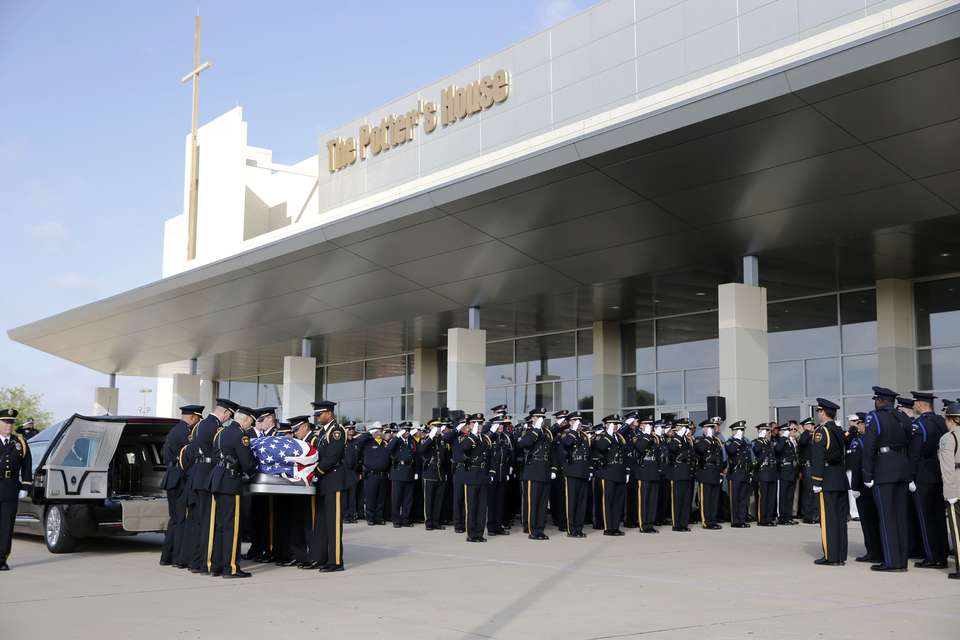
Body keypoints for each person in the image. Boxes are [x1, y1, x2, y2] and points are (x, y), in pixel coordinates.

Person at [862, 386, 912, 572]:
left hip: (884, 470)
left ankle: (892, 561)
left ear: (881, 400)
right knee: (900, 517)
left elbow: (869, 448)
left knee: (886, 517)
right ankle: (902, 561)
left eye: (876, 399)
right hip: (902, 468)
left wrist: (867, 474)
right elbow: (911, 441)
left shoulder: (874, 417)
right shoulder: (903, 417)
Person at [187, 398, 238, 574]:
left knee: (200, 522)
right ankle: (208, 563)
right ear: (225, 412)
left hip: (197, 475)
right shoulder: (215, 427)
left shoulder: (200, 424)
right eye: (229, 416)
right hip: (207, 476)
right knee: (210, 524)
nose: (228, 420)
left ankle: (196, 561)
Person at [207, 406, 258, 578]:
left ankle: (217, 565)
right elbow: (247, 462)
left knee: (221, 526)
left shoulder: (220, 433)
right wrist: (252, 471)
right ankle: (231, 567)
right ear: (244, 420)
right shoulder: (240, 435)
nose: (250, 427)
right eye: (250, 422)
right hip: (231, 482)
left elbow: (215, 457)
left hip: (218, 480)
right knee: (232, 527)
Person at [908, 391, 949, 568]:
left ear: (922, 404)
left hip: (923, 473)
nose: (913, 406)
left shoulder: (920, 424)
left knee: (926, 517)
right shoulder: (941, 421)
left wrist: (910, 476)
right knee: (939, 516)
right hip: (939, 472)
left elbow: (915, 453)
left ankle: (932, 557)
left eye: (915, 403)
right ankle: (943, 553)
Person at [159, 404, 203, 568]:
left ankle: (167, 556)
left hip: (173, 477)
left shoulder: (174, 430)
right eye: (198, 419)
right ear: (193, 417)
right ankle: (178, 557)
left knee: (175, 519)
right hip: (180, 478)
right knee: (180, 519)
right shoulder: (186, 433)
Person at [309, 400, 350, 572]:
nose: (317, 418)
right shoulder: (322, 432)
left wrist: (315, 473)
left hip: (333, 480)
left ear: (329, 413)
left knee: (333, 523)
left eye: (319, 414)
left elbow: (332, 457)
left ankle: (335, 561)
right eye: (316, 415)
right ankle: (321, 558)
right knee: (321, 523)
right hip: (323, 482)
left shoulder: (337, 431)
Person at [810, 398, 848, 566]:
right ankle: (840, 555)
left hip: (827, 478)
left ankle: (831, 556)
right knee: (840, 519)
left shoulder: (821, 431)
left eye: (819, 411)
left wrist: (816, 480)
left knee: (828, 519)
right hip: (840, 477)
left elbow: (818, 457)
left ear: (823, 412)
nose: (818, 414)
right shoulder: (838, 430)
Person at [242, 407, 278, 562]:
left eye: (262, 420)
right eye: (258, 420)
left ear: (270, 419)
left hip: (266, 484)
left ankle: (263, 549)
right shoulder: (247, 434)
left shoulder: (274, 436)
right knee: (253, 518)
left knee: (264, 518)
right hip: (251, 484)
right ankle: (256, 548)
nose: (260, 423)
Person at [846, 413, 882, 563]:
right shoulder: (876, 440)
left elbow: (856, 466)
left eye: (859, 423)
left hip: (863, 485)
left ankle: (873, 553)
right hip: (876, 483)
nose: (858, 426)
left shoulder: (859, 442)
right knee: (877, 520)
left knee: (868, 522)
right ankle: (879, 550)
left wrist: (854, 487)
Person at [0, 409, 31, 571]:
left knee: (6, 525)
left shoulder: (20, 442)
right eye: (5, 422)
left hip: (11, 487)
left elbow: (27, 465)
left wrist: (25, 485)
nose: (8, 426)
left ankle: (1, 559)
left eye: (11, 422)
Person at [517, 408, 555, 540]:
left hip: (545, 470)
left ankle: (540, 529)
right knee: (533, 503)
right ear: (532, 418)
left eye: (542, 417)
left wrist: (553, 468)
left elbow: (551, 452)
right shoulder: (528, 431)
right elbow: (524, 443)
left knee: (543, 504)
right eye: (538, 417)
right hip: (533, 471)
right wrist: (536, 429)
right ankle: (532, 530)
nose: (540, 419)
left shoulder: (547, 433)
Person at [592, 414, 627, 536]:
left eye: (616, 424)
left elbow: (624, 454)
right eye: (612, 424)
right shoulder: (601, 436)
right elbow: (601, 447)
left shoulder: (620, 438)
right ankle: (608, 528)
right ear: (606, 425)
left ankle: (615, 526)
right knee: (608, 501)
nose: (615, 426)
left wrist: (626, 471)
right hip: (607, 472)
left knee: (617, 502)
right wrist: (608, 434)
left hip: (619, 472)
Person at [559, 411, 591, 537]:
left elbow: (588, 455)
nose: (579, 424)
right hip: (572, 473)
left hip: (583, 472)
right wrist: (572, 430)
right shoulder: (566, 435)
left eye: (579, 421)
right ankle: (571, 529)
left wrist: (589, 470)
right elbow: (566, 444)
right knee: (571, 502)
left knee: (581, 503)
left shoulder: (583, 436)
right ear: (570, 422)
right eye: (575, 421)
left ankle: (579, 528)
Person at [938, 402, 960, 580]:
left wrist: (949, 493)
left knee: (957, 531)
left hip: (956, 486)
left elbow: (947, 469)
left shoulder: (949, 438)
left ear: (951, 419)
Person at [460, 413, 490, 542]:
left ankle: (479, 533)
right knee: (472, 507)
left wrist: (492, 472)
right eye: (475, 423)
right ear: (470, 425)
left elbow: (490, 457)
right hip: (472, 475)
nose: (478, 426)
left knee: (482, 508)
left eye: (480, 423)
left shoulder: (486, 438)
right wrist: (473, 434)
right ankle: (471, 534)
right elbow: (464, 448)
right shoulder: (466, 438)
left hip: (483, 475)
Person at [419, 418, 451, 530]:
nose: (438, 428)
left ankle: (436, 522)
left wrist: (446, 473)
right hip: (429, 474)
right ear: (431, 427)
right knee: (429, 500)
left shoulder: (442, 440)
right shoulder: (426, 439)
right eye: (435, 426)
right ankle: (429, 523)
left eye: (439, 426)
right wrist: (430, 437)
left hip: (440, 474)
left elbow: (446, 458)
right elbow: (421, 450)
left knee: (438, 500)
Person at [356, 422, 390, 526]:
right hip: (371, 475)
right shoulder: (368, 442)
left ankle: (379, 517)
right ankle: (370, 518)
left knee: (381, 498)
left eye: (381, 430)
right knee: (371, 497)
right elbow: (359, 441)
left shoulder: (385, 443)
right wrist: (369, 433)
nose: (380, 432)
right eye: (377, 430)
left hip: (383, 474)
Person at [693, 418, 724, 530]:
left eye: (712, 427)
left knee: (714, 499)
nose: (712, 429)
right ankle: (706, 522)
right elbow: (701, 449)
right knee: (706, 499)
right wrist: (708, 438)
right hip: (705, 472)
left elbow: (719, 457)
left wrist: (720, 472)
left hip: (715, 472)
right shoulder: (699, 440)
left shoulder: (717, 441)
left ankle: (713, 520)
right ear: (704, 429)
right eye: (709, 427)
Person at [486, 414, 513, 536]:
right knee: (492, 502)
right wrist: (491, 432)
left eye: (502, 424)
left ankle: (498, 525)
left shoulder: (505, 438)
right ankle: (491, 527)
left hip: (502, 474)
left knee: (500, 502)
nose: (501, 426)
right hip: (492, 474)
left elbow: (509, 455)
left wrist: (509, 470)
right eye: (498, 424)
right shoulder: (489, 437)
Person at [633, 418, 661, 534]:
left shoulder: (654, 437)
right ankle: (643, 524)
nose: (649, 426)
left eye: (650, 424)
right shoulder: (637, 437)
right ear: (641, 426)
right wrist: (646, 435)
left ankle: (650, 523)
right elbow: (641, 448)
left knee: (652, 500)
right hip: (643, 472)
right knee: (644, 500)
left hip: (653, 471)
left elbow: (659, 454)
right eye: (646, 424)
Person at [387, 421, 418, 527]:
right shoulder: (396, 441)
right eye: (405, 430)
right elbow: (389, 449)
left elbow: (416, 456)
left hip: (409, 471)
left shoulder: (412, 441)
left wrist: (416, 472)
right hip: (398, 471)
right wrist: (397, 437)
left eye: (409, 430)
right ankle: (396, 520)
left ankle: (406, 519)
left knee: (408, 498)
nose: (407, 432)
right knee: (397, 498)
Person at [666, 419, 695, 532]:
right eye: (683, 427)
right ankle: (677, 524)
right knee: (677, 500)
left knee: (686, 500)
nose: (686, 429)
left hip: (687, 472)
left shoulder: (687, 440)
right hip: (677, 472)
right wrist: (678, 435)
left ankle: (684, 523)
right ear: (677, 427)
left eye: (686, 427)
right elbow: (672, 448)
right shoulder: (673, 438)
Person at [725, 421, 751, 528]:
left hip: (744, 473)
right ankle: (735, 521)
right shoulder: (730, 442)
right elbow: (731, 451)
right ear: (734, 431)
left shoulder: (745, 442)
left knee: (743, 498)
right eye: (740, 430)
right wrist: (737, 439)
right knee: (735, 499)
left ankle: (742, 519)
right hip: (734, 473)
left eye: (743, 430)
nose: (742, 432)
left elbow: (748, 457)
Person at [753, 423, 779, 527]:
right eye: (766, 431)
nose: (769, 433)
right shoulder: (757, 442)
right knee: (763, 497)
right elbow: (756, 450)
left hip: (772, 473)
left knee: (771, 497)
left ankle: (769, 518)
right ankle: (762, 519)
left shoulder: (770, 442)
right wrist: (760, 438)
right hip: (763, 473)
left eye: (769, 431)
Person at [775, 421, 800, 525]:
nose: (791, 432)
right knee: (783, 495)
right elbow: (778, 450)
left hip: (792, 472)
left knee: (790, 495)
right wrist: (784, 437)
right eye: (789, 430)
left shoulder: (791, 442)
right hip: (783, 472)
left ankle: (788, 516)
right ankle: (782, 517)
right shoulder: (781, 441)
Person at [797, 418, 818, 524]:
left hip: (815, 466)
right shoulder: (804, 436)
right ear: (804, 426)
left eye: (812, 425)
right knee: (808, 491)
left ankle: (815, 515)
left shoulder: (814, 435)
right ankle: (807, 515)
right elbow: (802, 442)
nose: (812, 427)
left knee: (815, 491)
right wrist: (806, 431)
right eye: (809, 425)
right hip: (808, 466)